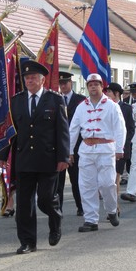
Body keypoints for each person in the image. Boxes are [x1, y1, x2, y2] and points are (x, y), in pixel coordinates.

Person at [9, 58, 69, 254]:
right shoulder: (16, 101)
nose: (30, 81)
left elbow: (62, 131)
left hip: (48, 159)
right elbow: (11, 132)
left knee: (44, 199)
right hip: (24, 159)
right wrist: (3, 156)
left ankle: (55, 219)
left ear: (42, 80)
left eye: (33, 77)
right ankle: (27, 242)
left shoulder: (54, 99)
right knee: (24, 205)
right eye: (27, 78)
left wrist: (63, 157)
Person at [69, 74, 126, 232]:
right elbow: (73, 129)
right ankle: (91, 220)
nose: (93, 87)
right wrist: (69, 150)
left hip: (106, 149)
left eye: (96, 84)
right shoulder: (81, 107)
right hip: (86, 150)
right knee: (87, 186)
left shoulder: (112, 106)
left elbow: (120, 128)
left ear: (102, 86)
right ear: (87, 87)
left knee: (107, 184)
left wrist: (119, 148)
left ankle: (111, 210)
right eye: (90, 84)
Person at [56, 71, 86, 216]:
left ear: (71, 83)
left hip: (77, 146)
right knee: (58, 182)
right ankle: (58, 209)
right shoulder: (55, 99)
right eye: (60, 83)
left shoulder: (81, 100)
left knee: (77, 180)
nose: (63, 86)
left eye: (65, 83)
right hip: (59, 147)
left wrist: (73, 148)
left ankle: (81, 207)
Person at [104, 82, 134, 213]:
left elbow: (131, 130)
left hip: (119, 150)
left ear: (116, 94)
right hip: (105, 149)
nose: (106, 94)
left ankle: (114, 208)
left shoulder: (127, 108)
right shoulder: (103, 107)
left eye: (109, 92)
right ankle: (111, 205)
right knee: (105, 181)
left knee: (114, 179)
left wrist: (121, 147)